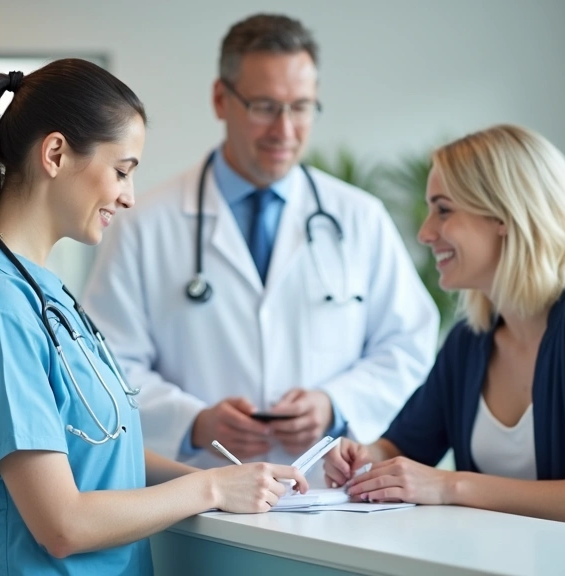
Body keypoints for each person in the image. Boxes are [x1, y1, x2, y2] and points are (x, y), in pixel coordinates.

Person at [0, 59, 308, 576]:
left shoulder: (41, 291)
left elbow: (106, 451)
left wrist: (239, 479)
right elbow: (61, 524)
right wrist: (210, 486)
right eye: (122, 171)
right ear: (56, 153)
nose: (129, 196)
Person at [81, 14, 439, 475]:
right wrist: (192, 421)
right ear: (220, 100)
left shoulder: (359, 217)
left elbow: (408, 343)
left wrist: (335, 403)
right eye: (265, 107)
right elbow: (108, 363)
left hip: (327, 494)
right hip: (199, 497)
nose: (285, 131)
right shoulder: (144, 222)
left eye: (302, 107)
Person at [323, 124, 565, 536]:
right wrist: (362, 457)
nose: (425, 233)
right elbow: (401, 447)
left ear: (504, 216)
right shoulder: (469, 342)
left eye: (443, 210)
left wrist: (449, 485)